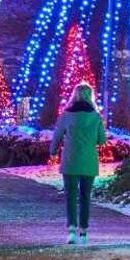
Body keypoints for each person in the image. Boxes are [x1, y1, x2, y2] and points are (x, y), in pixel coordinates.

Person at [50, 84, 106, 245]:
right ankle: (84, 232)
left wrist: (53, 151)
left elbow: (57, 136)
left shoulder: (66, 116)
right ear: (91, 96)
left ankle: (72, 230)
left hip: (70, 160)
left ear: (74, 96)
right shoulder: (96, 117)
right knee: (85, 197)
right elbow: (102, 140)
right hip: (89, 160)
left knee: (71, 196)